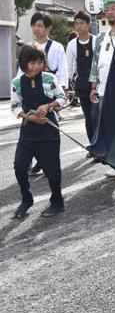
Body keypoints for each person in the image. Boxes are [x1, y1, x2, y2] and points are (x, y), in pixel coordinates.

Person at [11, 45, 68, 218]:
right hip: (28, 132)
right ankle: (26, 199)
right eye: (32, 62)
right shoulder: (17, 83)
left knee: (52, 170)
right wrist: (28, 117)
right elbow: (14, 106)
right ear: (23, 62)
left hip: (49, 131)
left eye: (39, 62)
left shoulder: (49, 78)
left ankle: (57, 202)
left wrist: (49, 105)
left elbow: (63, 98)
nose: (35, 66)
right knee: (20, 167)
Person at [24, 12, 68, 175]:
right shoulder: (29, 47)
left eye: (40, 25)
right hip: (31, 92)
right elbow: (22, 70)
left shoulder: (56, 47)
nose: (36, 28)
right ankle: (37, 160)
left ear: (48, 28)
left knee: (49, 128)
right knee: (31, 127)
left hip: (50, 94)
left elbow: (63, 70)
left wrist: (62, 91)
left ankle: (48, 160)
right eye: (34, 25)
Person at [89, 0, 115, 178]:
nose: (109, 12)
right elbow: (95, 62)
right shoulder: (101, 38)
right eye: (107, 9)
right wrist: (93, 86)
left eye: (113, 8)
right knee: (108, 127)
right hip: (104, 89)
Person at [66, 10, 97, 147]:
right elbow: (69, 65)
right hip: (82, 82)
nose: (79, 26)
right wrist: (68, 83)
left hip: (97, 83)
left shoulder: (96, 41)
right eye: (76, 23)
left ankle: (100, 144)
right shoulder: (72, 44)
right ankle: (93, 145)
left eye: (82, 23)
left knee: (97, 116)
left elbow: (100, 62)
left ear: (88, 24)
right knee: (88, 117)